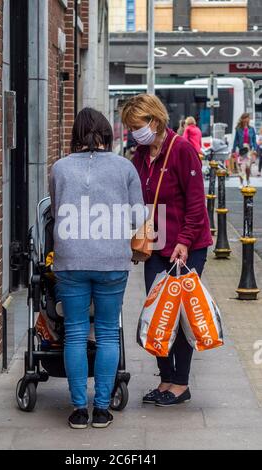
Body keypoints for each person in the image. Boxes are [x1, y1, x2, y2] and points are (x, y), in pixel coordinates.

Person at [49, 107, 145, 429]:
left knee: (75, 333)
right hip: (111, 261)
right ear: (107, 133)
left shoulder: (59, 168)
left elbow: (56, 207)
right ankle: (102, 408)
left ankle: (78, 409)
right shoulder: (124, 167)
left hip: (70, 259)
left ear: (76, 134)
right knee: (106, 334)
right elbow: (137, 217)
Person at [121, 94, 213, 407]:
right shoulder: (141, 155)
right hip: (156, 246)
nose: (134, 133)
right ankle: (164, 378)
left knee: (181, 313)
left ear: (155, 121)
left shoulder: (182, 151)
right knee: (157, 315)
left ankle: (181, 383)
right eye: (130, 128)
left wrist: (185, 241)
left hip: (187, 247)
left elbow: (196, 203)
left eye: (137, 126)